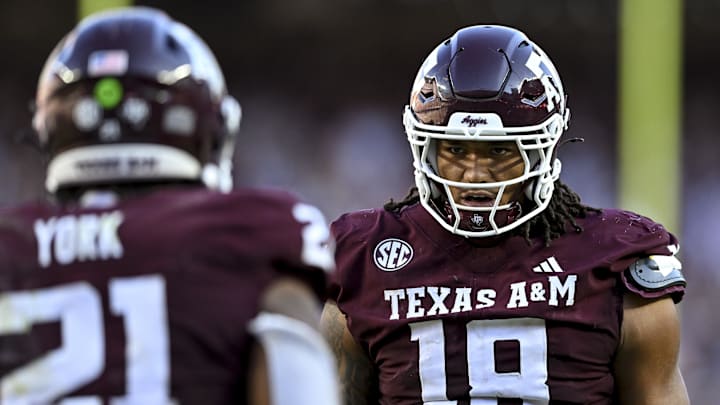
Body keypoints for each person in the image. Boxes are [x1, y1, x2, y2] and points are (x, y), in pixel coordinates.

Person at [321, 24, 689, 404]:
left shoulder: (614, 260)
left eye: (498, 151)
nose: (475, 174)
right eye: (456, 150)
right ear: (426, 149)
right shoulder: (365, 258)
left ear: (542, 149)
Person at [0, 7, 339, 405]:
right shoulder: (249, 232)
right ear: (207, 130)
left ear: (52, 131)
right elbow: (293, 377)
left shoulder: (10, 243)